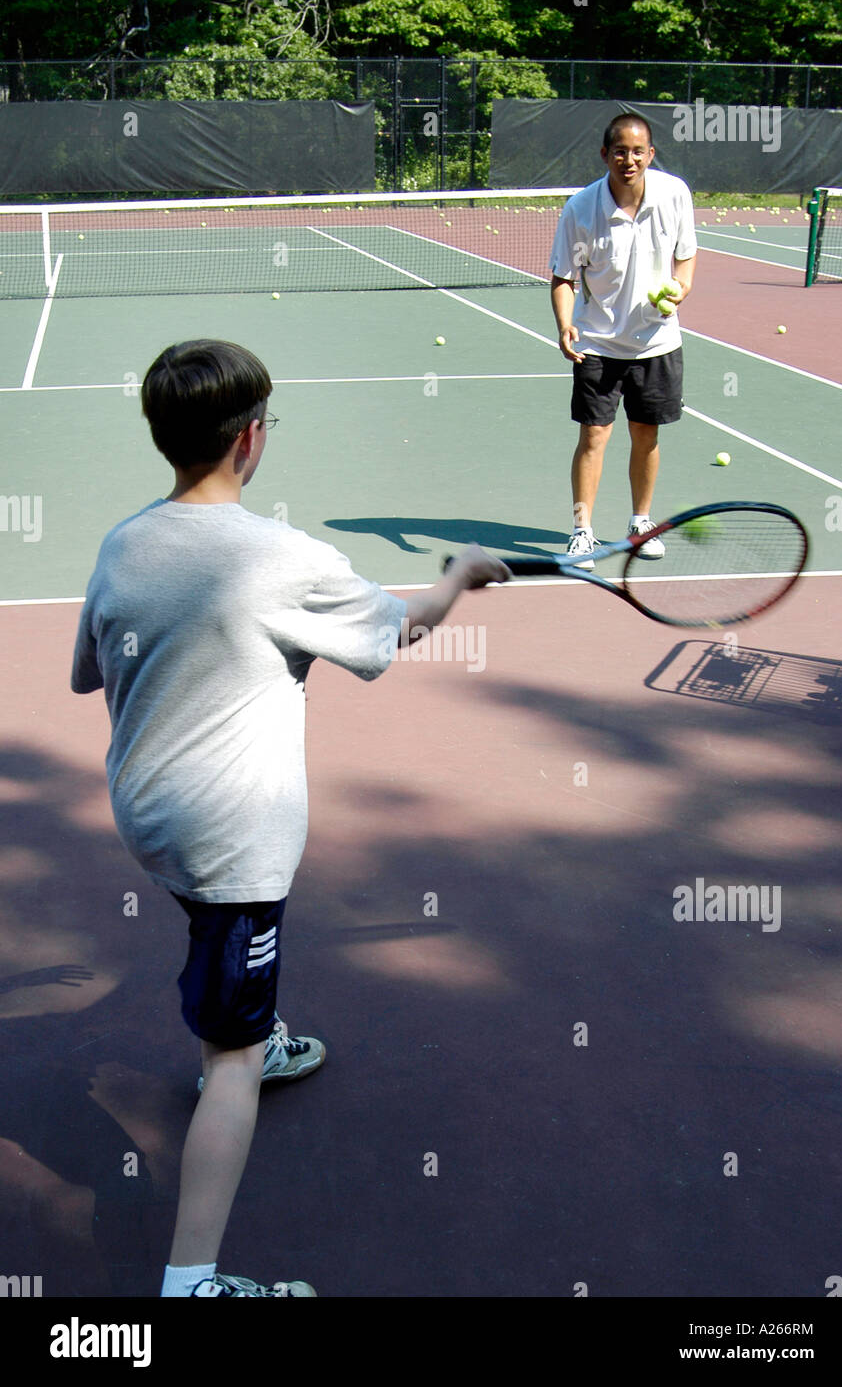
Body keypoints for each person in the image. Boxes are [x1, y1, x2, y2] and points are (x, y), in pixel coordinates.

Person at [70, 338, 509, 1298]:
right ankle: (192, 1281)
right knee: (225, 1062)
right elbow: (402, 626)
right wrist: (460, 573)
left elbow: (87, 672)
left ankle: (253, 1032)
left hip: (145, 814)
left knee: (215, 935)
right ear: (250, 440)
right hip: (230, 840)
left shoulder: (122, 542)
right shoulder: (287, 559)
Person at [549, 113, 697, 566]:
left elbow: (685, 260)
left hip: (657, 343)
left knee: (646, 435)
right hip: (598, 342)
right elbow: (562, 277)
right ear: (605, 155)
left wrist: (681, 289)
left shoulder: (674, 195)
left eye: (638, 151)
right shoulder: (580, 209)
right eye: (619, 151)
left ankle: (641, 523)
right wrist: (564, 324)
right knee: (593, 436)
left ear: (650, 155)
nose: (628, 160)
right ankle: (582, 530)